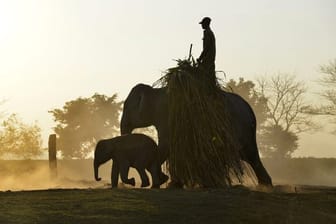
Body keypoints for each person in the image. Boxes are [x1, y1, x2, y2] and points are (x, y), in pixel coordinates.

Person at [197, 17, 216, 87]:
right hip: (209, 59)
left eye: (202, 24)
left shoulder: (208, 33)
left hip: (208, 60)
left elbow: (206, 48)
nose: (201, 25)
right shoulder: (209, 32)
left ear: (206, 24)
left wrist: (200, 58)